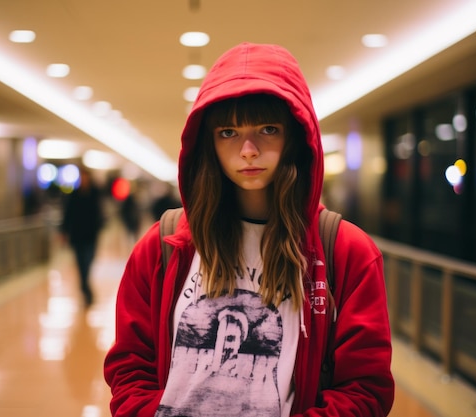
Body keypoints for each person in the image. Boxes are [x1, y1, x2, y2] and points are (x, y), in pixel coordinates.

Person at [104, 42, 394, 416]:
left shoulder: (345, 251)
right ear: (208, 142)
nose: (248, 150)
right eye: (228, 132)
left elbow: (365, 390)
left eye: (267, 129)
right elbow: (130, 368)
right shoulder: (165, 244)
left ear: (295, 136)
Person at [60, 167, 104, 306]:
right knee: (81, 264)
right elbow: (67, 215)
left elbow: (99, 213)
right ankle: (85, 288)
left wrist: (99, 226)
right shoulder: (74, 195)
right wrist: (63, 231)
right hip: (77, 237)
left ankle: (84, 284)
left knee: (89, 262)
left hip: (91, 236)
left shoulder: (94, 194)